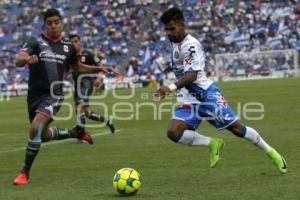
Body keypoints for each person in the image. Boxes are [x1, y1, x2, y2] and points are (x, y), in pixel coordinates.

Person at [155, 7, 287, 173]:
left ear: (182, 25)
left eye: (172, 29)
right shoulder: (175, 44)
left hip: (206, 96)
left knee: (237, 129)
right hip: (188, 99)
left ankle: (272, 152)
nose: (169, 33)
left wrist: (170, 87)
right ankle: (212, 143)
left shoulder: (190, 46)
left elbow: (192, 76)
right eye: (166, 29)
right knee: (173, 132)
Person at [13, 8, 117, 186]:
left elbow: (78, 67)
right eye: (49, 23)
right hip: (34, 95)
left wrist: (99, 69)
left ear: (61, 23)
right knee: (43, 135)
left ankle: (24, 173)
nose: (53, 26)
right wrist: (26, 59)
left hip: (54, 94)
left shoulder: (68, 46)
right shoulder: (35, 41)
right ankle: (75, 132)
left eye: (56, 22)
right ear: (44, 25)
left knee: (35, 128)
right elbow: (18, 60)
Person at [69, 34, 115, 144]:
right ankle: (107, 120)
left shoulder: (88, 54)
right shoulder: (70, 56)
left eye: (76, 41)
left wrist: (99, 77)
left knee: (80, 107)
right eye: (72, 42)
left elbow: (101, 66)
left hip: (87, 83)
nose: (74, 44)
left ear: (79, 42)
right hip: (77, 85)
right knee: (84, 112)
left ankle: (81, 136)